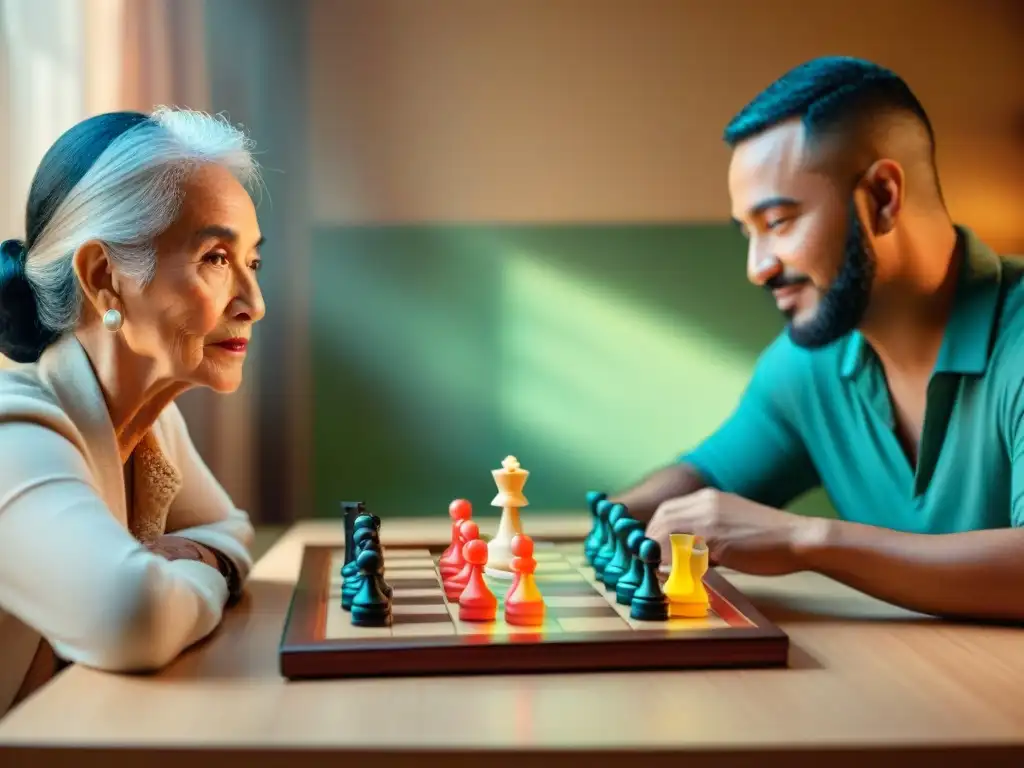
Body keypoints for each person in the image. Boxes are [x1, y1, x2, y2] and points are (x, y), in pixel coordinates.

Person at [612, 56, 1024, 622]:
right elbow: (706, 479)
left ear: (881, 198)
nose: (757, 267)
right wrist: (622, 515)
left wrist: (807, 541)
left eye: (778, 221)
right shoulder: (808, 366)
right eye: (748, 233)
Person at [0, 107, 265, 713]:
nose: (254, 303)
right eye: (216, 260)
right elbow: (134, 618)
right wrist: (202, 568)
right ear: (103, 278)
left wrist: (191, 558)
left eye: (251, 262)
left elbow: (233, 531)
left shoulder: (151, 422)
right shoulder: (12, 436)